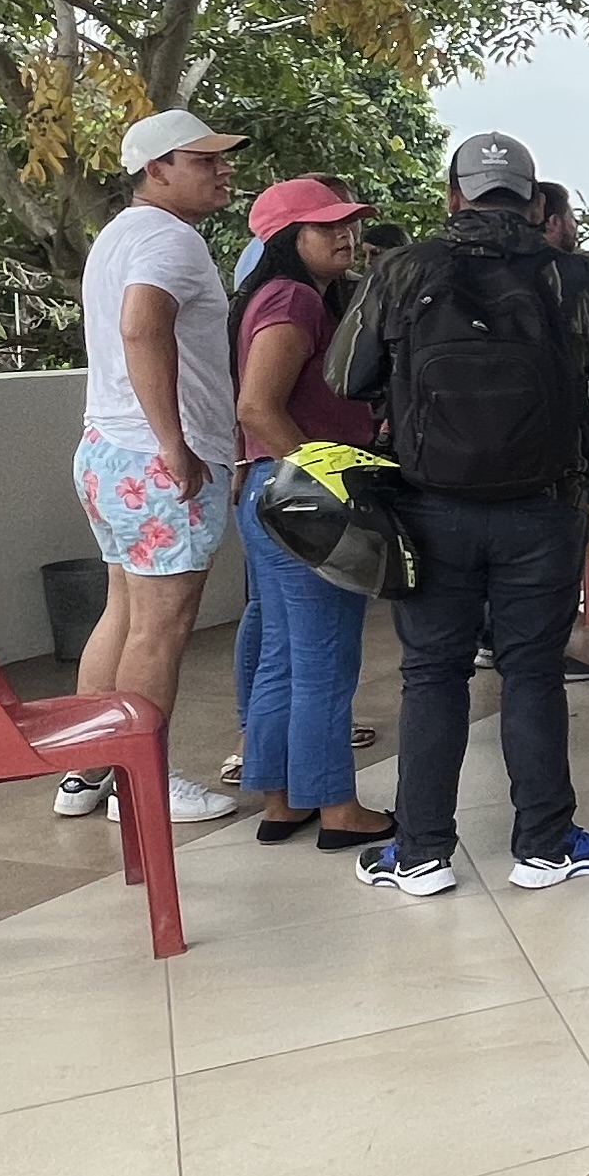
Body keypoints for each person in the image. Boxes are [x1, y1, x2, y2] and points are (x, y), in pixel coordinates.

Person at [330, 132, 589, 896]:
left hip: (429, 506)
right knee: (532, 672)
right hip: (544, 508)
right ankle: (545, 845)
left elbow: (345, 374)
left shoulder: (400, 269)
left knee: (431, 676)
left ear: (453, 196)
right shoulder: (570, 275)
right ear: (535, 201)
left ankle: (419, 853)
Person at [65, 110, 248, 825]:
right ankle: (141, 785)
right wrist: (175, 442)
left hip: (108, 452)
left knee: (123, 610)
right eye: (203, 160)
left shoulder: (119, 233)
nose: (222, 169)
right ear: (156, 169)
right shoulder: (171, 239)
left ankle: (87, 772)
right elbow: (142, 327)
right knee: (160, 628)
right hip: (159, 461)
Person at [226, 177, 392, 850]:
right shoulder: (293, 299)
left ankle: (283, 800)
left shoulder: (281, 296)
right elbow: (256, 406)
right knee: (324, 660)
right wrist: (327, 482)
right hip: (302, 498)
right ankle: (338, 809)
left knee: (284, 657)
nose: (345, 235)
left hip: (272, 493)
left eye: (348, 223)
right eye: (326, 226)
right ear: (288, 238)